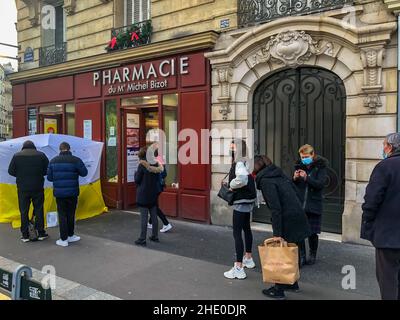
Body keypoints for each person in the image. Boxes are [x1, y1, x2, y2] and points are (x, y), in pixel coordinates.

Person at [254, 155, 311, 300]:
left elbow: (276, 208)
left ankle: (278, 289)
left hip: (287, 219)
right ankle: (292, 282)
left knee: (281, 252)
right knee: (292, 251)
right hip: (297, 216)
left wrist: (277, 233)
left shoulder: (266, 181)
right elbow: (296, 193)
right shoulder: (279, 174)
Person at [361, 133, 400, 300]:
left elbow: (372, 199)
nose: (383, 148)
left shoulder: (385, 166)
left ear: (390, 147)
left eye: (384, 145)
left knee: (388, 279)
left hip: (388, 233)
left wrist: (368, 222)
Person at [223, 139, 257, 280]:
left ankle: (238, 267)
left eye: (233, 148)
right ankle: (248, 258)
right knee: (246, 229)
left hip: (241, 201)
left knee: (237, 233)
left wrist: (231, 184)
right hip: (248, 200)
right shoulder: (247, 161)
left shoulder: (238, 163)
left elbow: (242, 179)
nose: (231, 151)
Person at [47, 142, 88, 247]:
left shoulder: (53, 161)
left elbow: (49, 178)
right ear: (69, 149)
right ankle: (71, 235)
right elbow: (84, 173)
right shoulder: (76, 160)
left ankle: (63, 239)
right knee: (71, 214)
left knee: (62, 214)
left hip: (59, 193)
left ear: (59, 149)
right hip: (73, 192)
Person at [8, 140, 49, 242]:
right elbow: (47, 169)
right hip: (38, 187)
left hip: (22, 188)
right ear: (34, 147)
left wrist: (21, 175)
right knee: (39, 209)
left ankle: (25, 235)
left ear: (23, 147)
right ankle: (41, 233)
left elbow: (11, 171)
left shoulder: (17, 156)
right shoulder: (41, 155)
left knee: (24, 211)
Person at [293, 144, 328, 266]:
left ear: (313, 155)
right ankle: (302, 256)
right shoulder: (298, 166)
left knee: (313, 232)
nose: (304, 159)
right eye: (302, 157)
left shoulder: (320, 167)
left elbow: (320, 184)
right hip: (301, 204)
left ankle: (312, 255)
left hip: (313, 204)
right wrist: (295, 178)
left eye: (306, 156)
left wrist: (307, 178)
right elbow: (294, 186)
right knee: (300, 232)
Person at [134, 146, 164, 246]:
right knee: (154, 216)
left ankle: (142, 239)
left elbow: (137, 180)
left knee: (144, 217)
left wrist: (135, 174)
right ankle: (155, 236)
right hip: (154, 193)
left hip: (143, 194)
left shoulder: (142, 165)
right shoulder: (156, 164)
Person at [148, 146, 173, 233]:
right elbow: (164, 173)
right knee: (153, 204)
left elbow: (161, 173)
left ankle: (166, 224)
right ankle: (150, 223)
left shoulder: (155, 161)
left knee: (154, 206)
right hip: (158, 186)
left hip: (155, 187)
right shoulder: (159, 160)